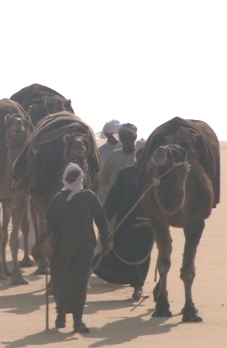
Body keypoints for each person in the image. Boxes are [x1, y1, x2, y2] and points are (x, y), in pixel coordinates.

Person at [43, 162, 112, 333]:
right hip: (61, 248)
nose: (73, 178)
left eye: (75, 175)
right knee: (60, 282)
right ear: (65, 177)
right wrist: (44, 235)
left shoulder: (89, 197)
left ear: (81, 177)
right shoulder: (57, 198)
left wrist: (106, 239)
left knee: (80, 283)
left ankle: (78, 320)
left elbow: (101, 220)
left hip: (84, 248)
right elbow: (48, 221)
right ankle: (61, 314)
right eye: (70, 175)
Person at [93, 146, 153, 301]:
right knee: (125, 253)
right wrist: (104, 221)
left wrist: (156, 221)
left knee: (143, 256)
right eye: (140, 155)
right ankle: (136, 286)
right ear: (136, 156)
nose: (143, 158)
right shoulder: (125, 173)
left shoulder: (154, 177)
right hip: (125, 223)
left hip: (147, 225)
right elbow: (113, 200)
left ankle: (138, 287)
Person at [98, 123, 138, 204]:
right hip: (112, 200)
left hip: (134, 201)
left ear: (135, 137)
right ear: (120, 138)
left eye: (130, 137)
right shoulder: (113, 156)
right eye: (124, 138)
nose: (127, 140)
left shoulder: (141, 155)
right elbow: (103, 179)